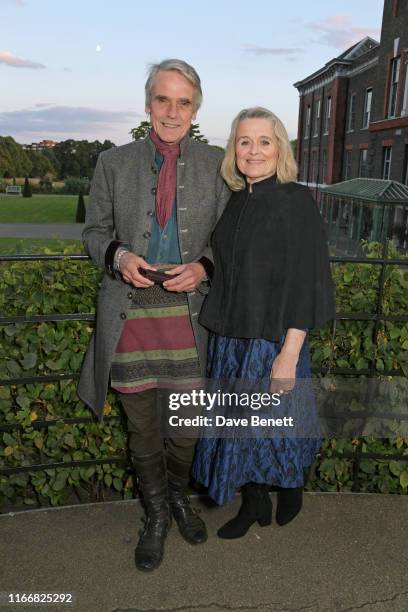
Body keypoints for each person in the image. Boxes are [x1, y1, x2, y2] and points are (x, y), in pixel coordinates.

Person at [77, 59, 229, 570]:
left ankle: (179, 497)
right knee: (142, 430)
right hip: (130, 318)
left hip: (190, 317)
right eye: (162, 99)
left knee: (185, 428)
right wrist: (118, 256)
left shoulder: (218, 163)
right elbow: (94, 231)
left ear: (196, 108)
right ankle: (157, 515)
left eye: (183, 102)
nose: (171, 111)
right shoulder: (112, 162)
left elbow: (231, 237)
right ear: (148, 104)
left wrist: (205, 265)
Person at [192, 107, 335, 538]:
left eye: (264, 141)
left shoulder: (295, 202)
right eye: (244, 141)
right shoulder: (237, 199)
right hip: (231, 336)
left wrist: (289, 355)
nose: (253, 151)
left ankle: (291, 488)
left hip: (273, 339)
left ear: (280, 148)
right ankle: (254, 502)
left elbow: (307, 281)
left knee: (277, 427)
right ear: (233, 149)